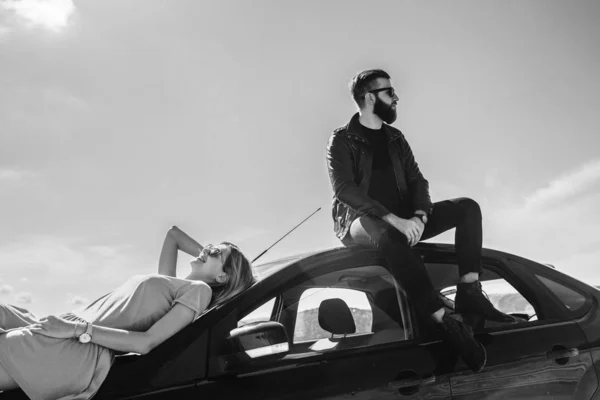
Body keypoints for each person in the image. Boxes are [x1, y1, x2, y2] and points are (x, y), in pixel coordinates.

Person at [326, 69, 516, 373]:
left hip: (405, 219)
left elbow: (417, 181)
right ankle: (446, 320)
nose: (396, 96)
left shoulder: (395, 138)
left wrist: (419, 215)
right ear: (370, 97)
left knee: (467, 208)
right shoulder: (342, 139)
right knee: (390, 236)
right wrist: (395, 221)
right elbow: (345, 189)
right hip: (361, 221)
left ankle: (470, 293)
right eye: (389, 92)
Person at [0, 225, 255, 399]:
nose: (205, 250)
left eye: (215, 253)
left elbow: (146, 343)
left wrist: (78, 330)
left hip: (78, 342)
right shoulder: (172, 283)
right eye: (208, 247)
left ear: (222, 276)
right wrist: (210, 255)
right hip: (68, 326)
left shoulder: (199, 292)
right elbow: (173, 235)